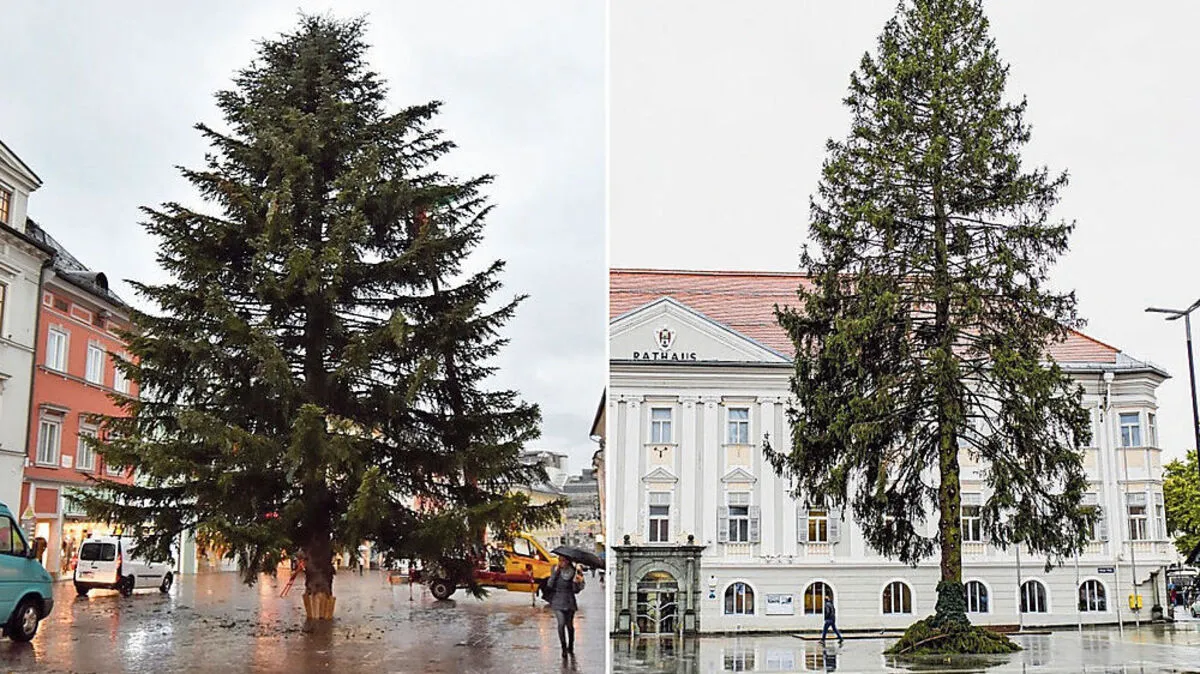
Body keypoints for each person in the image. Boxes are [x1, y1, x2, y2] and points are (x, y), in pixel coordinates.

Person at [546, 556, 585, 657]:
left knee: (570, 625)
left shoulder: (574, 571)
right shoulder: (555, 569)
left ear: (568, 561)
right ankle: (563, 647)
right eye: (560, 560)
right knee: (561, 623)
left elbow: (576, 590)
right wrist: (556, 572)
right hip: (557, 601)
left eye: (563, 560)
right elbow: (550, 584)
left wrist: (576, 582)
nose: (561, 562)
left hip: (569, 601)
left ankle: (570, 645)